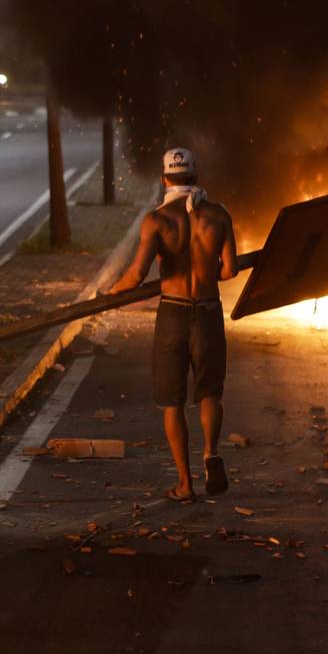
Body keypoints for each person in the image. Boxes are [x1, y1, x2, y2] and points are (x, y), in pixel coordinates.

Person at [106, 147, 240, 503]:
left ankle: (184, 483)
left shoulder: (157, 220)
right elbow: (229, 270)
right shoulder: (219, 215)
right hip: (209, 310)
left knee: (172, 402)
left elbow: (136, 275)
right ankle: (211, 453)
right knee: (210, 393)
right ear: (196, 176)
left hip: (174, 313)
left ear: (164, 179)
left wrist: (109, 292)